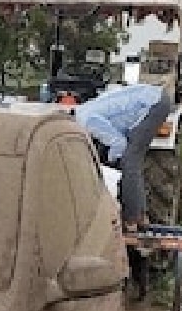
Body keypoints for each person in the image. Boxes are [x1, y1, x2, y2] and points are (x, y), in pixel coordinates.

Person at [73, 82, 173, 232]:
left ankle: (132, 220)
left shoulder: (87, 121)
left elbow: (119, 143)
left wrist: (109, 163)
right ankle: (141, 216)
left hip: (152, 104)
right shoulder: (85, 109)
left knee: (130, 161)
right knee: (131, 160)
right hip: (152, 96)